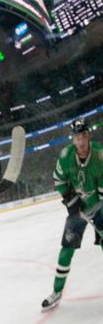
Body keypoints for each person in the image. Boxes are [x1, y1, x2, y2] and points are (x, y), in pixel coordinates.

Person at [42, 118, 103, 311]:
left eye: (84, 136)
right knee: (66, 249)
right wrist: (70, 199)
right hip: (78, 211)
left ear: (88, 136)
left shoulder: (100, 154)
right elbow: (59, 180)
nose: (81, 141)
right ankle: (57, 291)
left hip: (99, 207)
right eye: (77, 137)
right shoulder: (65, 156)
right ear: (73, 139)